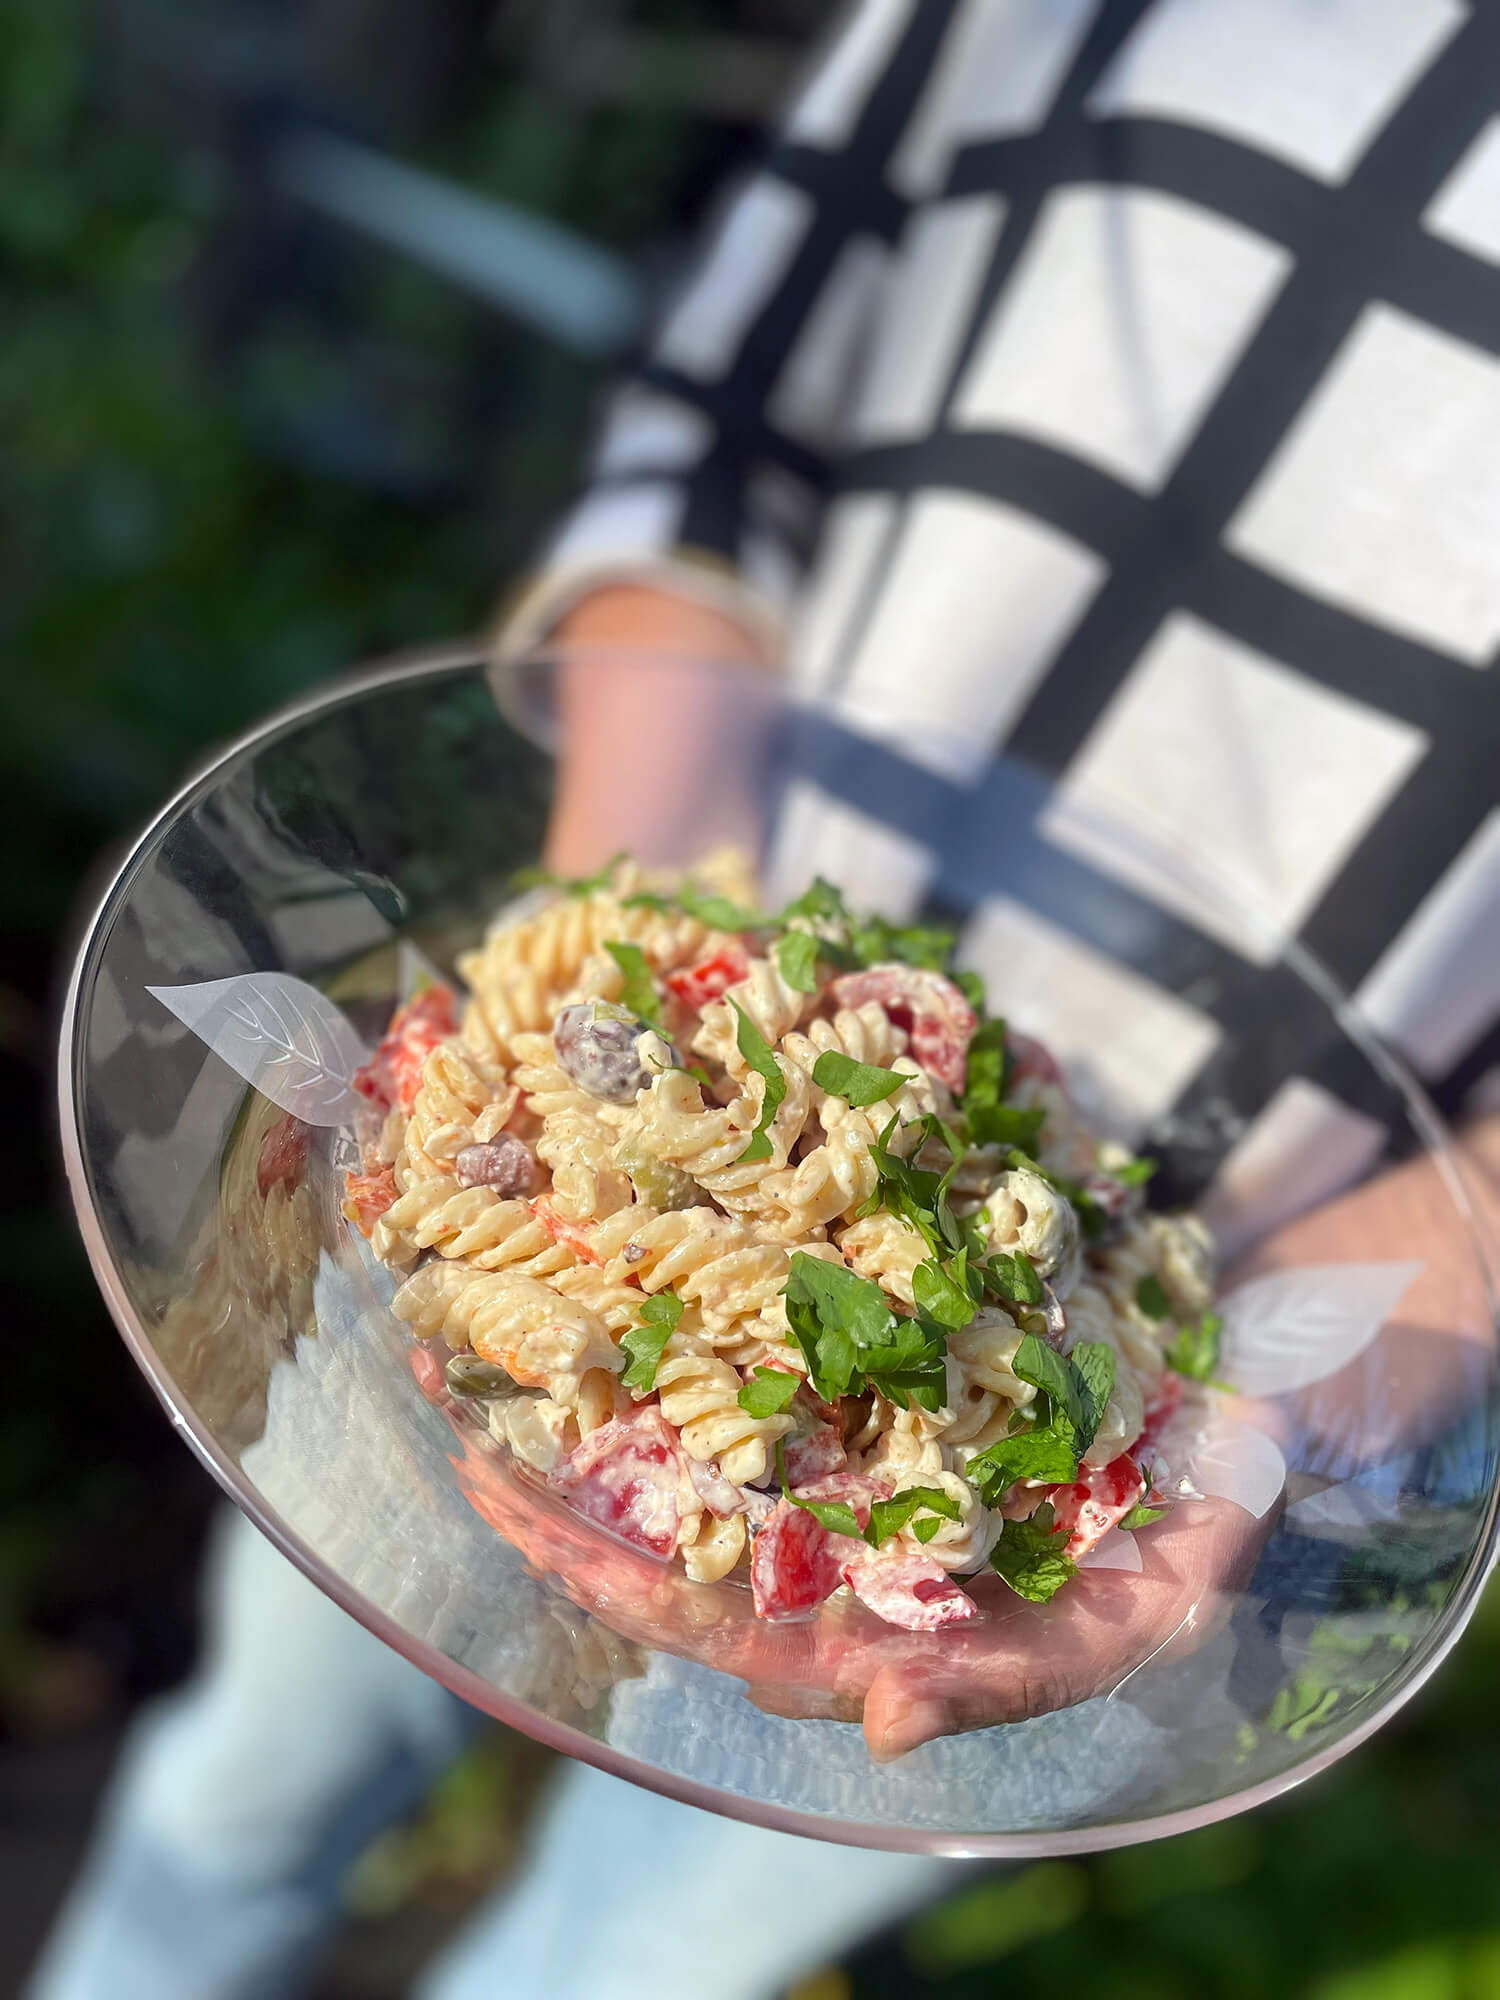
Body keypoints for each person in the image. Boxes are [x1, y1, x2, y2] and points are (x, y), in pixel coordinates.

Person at [30, 2, 1500, 1995]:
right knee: (239, 1804)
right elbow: (731, 430)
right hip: (615, 1095)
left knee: (618, 1977)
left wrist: (1368, 1316)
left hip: (1178, 1365)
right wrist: (597, 987)